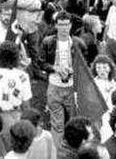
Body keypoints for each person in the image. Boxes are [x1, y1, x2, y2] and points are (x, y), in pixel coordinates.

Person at [40, 11, 87, 146]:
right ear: (56, 25)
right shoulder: (48, 42)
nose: (64, 28)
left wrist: (74, 70)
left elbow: (85, 65)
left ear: (71, 25)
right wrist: (56, 69)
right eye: (61, 25)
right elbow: (41, 62)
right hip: (54, 86)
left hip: (72, 88)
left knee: (74, 122)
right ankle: (57, 151)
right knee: (57, 124)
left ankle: (75, 149)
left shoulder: (78, 43)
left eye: (66, 25)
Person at [0, 41, 32, 150]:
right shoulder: (23, 76)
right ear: (16, 57)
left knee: (5, 151)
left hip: (0, 119)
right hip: (18, 116)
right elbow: (26, 104)